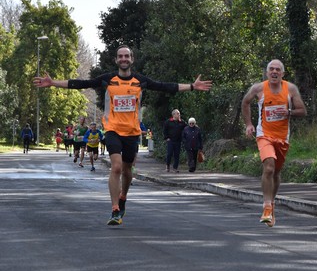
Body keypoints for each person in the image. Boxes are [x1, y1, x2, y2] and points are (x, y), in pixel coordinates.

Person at [33, 44, 212, 226]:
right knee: (116, 167)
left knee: (127, 171)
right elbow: (81, 83)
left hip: (132, 132)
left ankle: (123, 196)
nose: (124, 59)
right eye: (120, 56)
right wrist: (54, 82)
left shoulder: (140, 81)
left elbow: (166, 86)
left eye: (127, 56)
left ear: (132, 59)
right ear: (116, 60)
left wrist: (191, 86)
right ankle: (115, 209)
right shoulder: (107, 79)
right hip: (112, 130)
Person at [241, 59, 307, 227]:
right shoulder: (258, 88)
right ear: (267, 72)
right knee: (269, 167)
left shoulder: (290, 89)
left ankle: (272, 203)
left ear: (282, 74)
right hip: (264, 134)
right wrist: (249, 124)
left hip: (283, 137)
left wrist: (289, 111)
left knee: (276, 173)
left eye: (278, 70)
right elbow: (245, 102)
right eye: (271, 69)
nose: (274, 72)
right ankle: (267, 207)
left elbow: (303, 111)